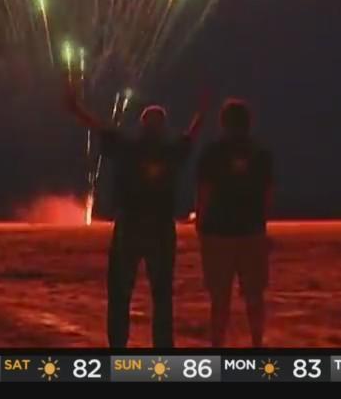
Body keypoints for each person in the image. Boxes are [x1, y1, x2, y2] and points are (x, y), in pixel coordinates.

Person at [64, 81, 205, 348]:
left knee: (120, 292)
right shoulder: (170, 151)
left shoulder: (128, 148)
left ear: (142, 125)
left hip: (129, 226)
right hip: (161, 228)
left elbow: (99, 127)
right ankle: (163, 350)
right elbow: (191, 136)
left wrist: (75, 109)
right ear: (162, 127)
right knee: (162, 294)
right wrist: (202, 112)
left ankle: (118, 348)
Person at [195, 98, 274, 348]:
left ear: (223, 122)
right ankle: (257, 343)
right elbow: (268, 193)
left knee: (220, 297)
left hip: (219, 233)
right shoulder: (261, 153)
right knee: (254, 295)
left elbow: (204, 191)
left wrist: (201, 221)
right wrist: (261, 222)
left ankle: (217, 346)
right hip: (252, 231)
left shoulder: (212, 152)